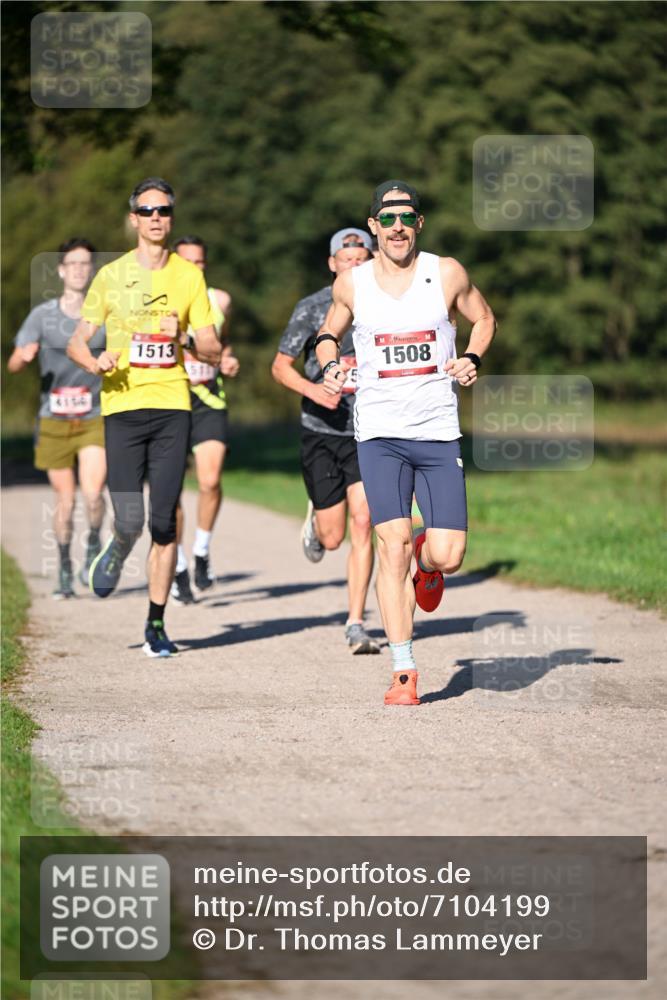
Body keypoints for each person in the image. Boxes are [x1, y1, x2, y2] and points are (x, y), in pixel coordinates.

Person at [316, 181, 496, 703]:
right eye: (387, 217)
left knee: (449, 554)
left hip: (438, 431)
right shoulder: (353, 283)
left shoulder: (447, 273)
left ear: (419, 224)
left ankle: (429, 557)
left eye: (406, 217)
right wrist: (331, 364)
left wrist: (472, 358)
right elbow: (329, 332)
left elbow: (483, 318)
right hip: (379, 434)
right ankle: (403, 669)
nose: (397, 226)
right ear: (373, 225)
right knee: (388, 546)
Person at [67, 177, 221, 657]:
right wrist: (96, 363)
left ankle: (156, 624)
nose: (157, 218)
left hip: (173, 406)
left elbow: (213, 351)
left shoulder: (188, 277)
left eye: (165, 210)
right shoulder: (110, 276)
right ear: (133, 218)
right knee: (130, 517)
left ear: (171, 218)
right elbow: (77, 340)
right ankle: (117, 547)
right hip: (123, 408)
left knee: (164, 522)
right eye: (148, 210)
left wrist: (189, 339)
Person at [272, 228, 380, 655]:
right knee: (333, 537)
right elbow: (280, 366)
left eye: (361, 259)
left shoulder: (386, 306)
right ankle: (316, 523)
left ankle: (355, 622)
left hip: (367, 431)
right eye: (346, 259)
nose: (354, 266)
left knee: (364, 520)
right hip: (321, 430)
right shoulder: (312, 307)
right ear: (333, 264)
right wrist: (313, 390)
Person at [8, 238, 106, 599]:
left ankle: (94, 544)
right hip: (54, 420)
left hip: (95, 416)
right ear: (61, 270)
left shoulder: (103, 315)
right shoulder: (43, 316)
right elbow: (14, 364)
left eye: (85, 264)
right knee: (65, 499)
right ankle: (64, 567)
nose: (80, 270)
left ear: (92, 270)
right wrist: (25, 356)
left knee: (94, 494)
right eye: (73, 264)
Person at [169, 236, 240, 604]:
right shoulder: (158, 300)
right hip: (170, 399)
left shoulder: (220, 300)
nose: (195, 269)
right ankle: (178, 566)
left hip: (210, 399)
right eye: (188, 262)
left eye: (201, 262)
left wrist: (226, 358)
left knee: (210, 481)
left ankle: (200, 549)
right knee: (172, 490)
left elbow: (222, 343)